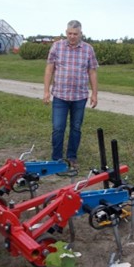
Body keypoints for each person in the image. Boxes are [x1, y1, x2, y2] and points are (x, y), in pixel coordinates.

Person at [43, 20, 99, 169]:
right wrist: (46, 91)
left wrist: (94, 93)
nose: (72, 36)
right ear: (66, 32)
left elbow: (92, 72)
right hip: (60, 96)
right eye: (70, 33)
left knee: (76, 128)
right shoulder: (57, 46)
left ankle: (72, 156)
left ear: (81, 33)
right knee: (58, 127)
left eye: (75, 34)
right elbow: (49, 69)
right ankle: (56, 158)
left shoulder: (88, 49)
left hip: (80, 97)